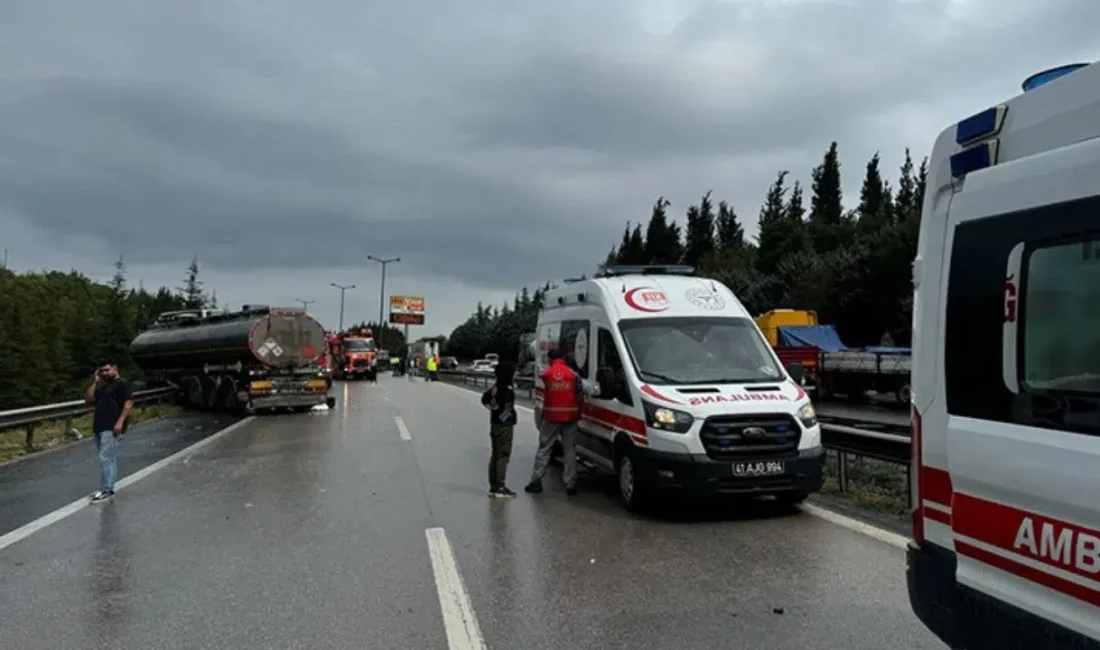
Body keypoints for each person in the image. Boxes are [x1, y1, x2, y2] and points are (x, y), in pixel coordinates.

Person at [525, 348, 599, 496]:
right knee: (569, 450)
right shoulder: (572, 374)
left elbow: (541, 377)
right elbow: (582, 391)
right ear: (563, 358)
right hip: (570, 417)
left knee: (544, 448)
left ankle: (536, 481)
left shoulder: (547, 374)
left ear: (551, 359)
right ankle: (570, 485)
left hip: (551, 418)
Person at [83, 360, 133, 503]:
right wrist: (95, 382)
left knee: (105, 458)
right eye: (102, 371)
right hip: (99, 426)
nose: (105, 373)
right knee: (108, 458)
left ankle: (106, 489)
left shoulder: (121, 384)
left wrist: (120, 422)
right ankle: (107, 487)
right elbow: (88, 400)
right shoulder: (103, 388)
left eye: (107, 370)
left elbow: (128, 403)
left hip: (112, 427)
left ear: (115, 369)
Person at [481, 362, 518, 498]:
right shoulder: (506, 388)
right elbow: (506, 404)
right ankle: (500, 486)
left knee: (495, 454)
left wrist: (493, 408)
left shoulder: (495, 387)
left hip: (495, 423)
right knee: (503, 455)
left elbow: (484, 398)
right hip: (505, 425)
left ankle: (494, 485)